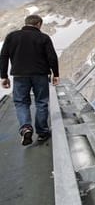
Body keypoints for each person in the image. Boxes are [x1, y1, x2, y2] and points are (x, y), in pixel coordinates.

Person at [0, 15, 59, 145]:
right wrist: (56, 74)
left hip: (20, 75)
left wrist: (3, 76)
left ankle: (26, 127)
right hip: (40, 74)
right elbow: (52, 57)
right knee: (41, 102)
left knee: (21, 102)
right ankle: (42, 133)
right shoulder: (43, 37)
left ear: (26, 23)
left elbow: (3, 56)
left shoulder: (12, 36)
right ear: (38, 24)